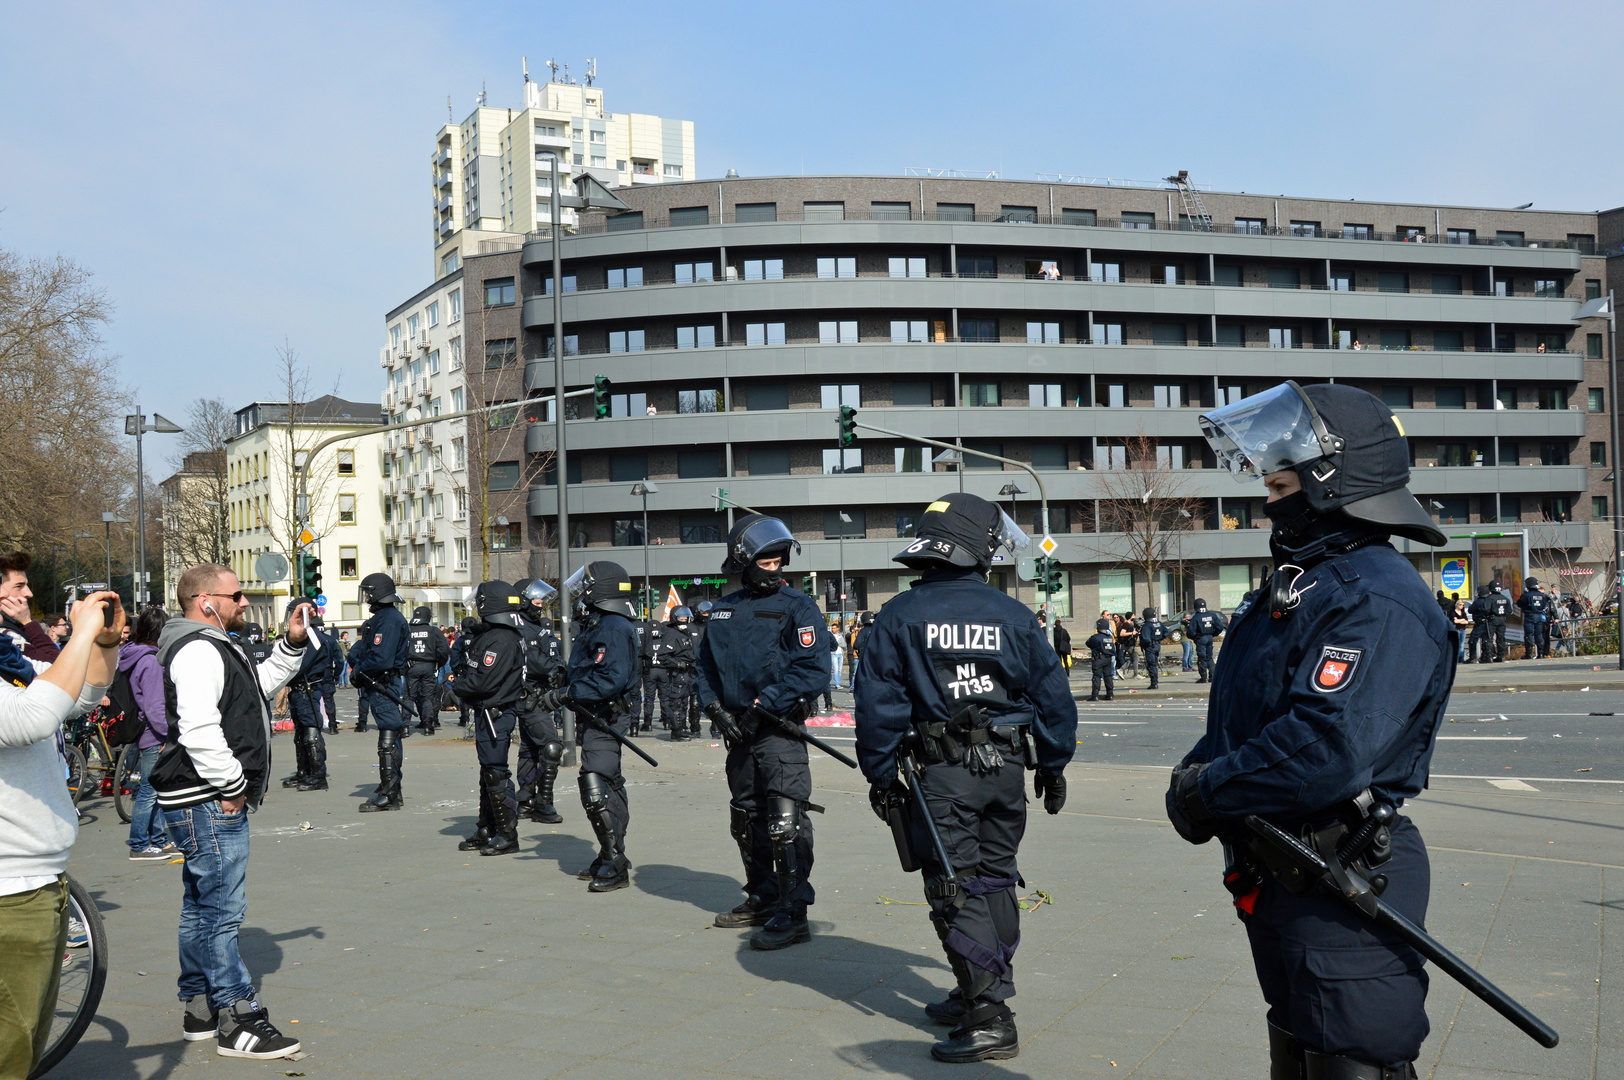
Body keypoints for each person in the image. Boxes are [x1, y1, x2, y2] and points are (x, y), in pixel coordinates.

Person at [1166, 380, 1456, 1078]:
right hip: (1286, 867)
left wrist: (1209, 791)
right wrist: (1201, 769)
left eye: (1282, 482)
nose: (1270, 499)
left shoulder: (1375, 595)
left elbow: (1326, 746)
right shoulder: (1309, 583)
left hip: (1342, 874)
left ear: (1334, 479)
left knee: (1352, 1056)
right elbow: (1251, 713)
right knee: (1300, 1050)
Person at [854, 493, 1078, 1062]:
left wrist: (881, 774)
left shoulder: (899, 616)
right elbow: (1054, 699)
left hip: (943, 772)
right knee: (997, 876)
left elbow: (878, 705)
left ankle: (991, 1014)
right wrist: (1052, 766)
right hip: (1005, 769)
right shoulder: (1013, 614)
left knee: (955, 884)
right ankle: (974, 987)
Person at [152, 564, 313, 1059]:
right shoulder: (199, 648)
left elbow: (249, 693)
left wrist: (290, 645)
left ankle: (199, 1007)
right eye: (236, 594)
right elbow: (200, 726)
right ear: (206, 601)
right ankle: (237, 1016)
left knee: (201, 904)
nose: (244, 602)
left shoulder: (211, 645)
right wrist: (231, 784)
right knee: (221, 909)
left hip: (197, 795)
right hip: (208, 797)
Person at [0, 585, 120, 1078]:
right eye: (14, 581)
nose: (26, 591)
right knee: (11, 1049)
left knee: (24, 1044)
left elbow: (77, 700)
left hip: (36, 881)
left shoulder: (9, 659)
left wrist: (104, 644)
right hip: (9, 891)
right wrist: (82, 632)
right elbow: (33, 718)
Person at [696, 515, 830, 949]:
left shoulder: (798, 607)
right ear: (744, 562)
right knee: (746, 817)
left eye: (780, 561)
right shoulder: (721, 608)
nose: (775, 568)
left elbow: (812, 671)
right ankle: (764, 896)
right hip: (737, 732)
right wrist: (716, 710)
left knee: (785, 821)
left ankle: (794, 912)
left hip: (778, 731)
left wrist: (762, 710)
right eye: (766, 562)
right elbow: (704, 669)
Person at [537, 562, 641, 892]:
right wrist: (564, 676)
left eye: (588, 584)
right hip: (596, 713)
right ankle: (610, 854)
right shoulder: (600, 622)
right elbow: (590, 667)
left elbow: (609, 678)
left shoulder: (611, 626)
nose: (582, 590)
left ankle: (615, 863)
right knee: (607, 781)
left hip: (606, 715)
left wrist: (567, 693)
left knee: (597, 785)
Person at [450, 581, 527, 856]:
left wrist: (456, 687)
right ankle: (487, 828)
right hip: (487, 712)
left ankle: (508, 834)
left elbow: (482, 681)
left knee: (496, 773)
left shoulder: (502, 639)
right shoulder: (494, 634)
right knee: (488, 773)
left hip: (496, 713)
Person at [347, 573, 409, 812]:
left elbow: (381, 659)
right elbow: (364, 650)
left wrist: (359, 670)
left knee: (388, 737)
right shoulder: (382, 618)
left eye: (368, 591)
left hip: (384, 683)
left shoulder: (389, 620)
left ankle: (390, 792)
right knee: (388, 733)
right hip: (379, 682)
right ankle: (391, 788)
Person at [120, 606, 178, 859]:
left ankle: (158, 839)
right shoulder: (151, 661)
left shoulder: (134, 655)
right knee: (150, 791)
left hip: (146, 731)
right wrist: (168, 735)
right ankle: (140, 843)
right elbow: (155, 707)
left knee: (153, 790)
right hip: (154, 733)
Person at [511, 579, 566, 824]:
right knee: (551, 747)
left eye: (542, 600)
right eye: (536, 599)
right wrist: (555, 668)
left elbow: (551, 654)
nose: (540, 603)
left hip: (539, 693)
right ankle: (544, 804)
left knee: (530, 749)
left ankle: (525, 800)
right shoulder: (520, 626)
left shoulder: (535, 624)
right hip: (531, 696)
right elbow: (534, 661)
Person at [278, 598, 334, 792]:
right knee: (301, 734)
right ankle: (304, 771)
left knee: (311, 733)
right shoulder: (305, 636)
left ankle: (318, 775)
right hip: (299, 690)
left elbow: (301, 665)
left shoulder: (313, 636)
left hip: (307, 689)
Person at [0, 552, 61, 663]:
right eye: (19, 586)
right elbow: (56, 666)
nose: (28, 593)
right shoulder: (6, 634)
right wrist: (28, 623)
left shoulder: (12, 627)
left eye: (26, 585)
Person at [405, 605, 450, 733]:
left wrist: (403, 665)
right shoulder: (433, 631)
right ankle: (428, 725)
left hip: (411, 666)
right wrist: (437, 663)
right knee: (428, 696)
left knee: (409, 696)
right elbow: (443, 650)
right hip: (428, 665)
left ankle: (405, 727)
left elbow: (398, 649)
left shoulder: (407, 630)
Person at [661, 606, 700, 741]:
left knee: (684, 703)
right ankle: (676, 732)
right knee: (676, 704)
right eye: (681, 617)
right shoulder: (671, 634)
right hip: (678, 673)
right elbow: (663, 656)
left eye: (686, 617)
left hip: (689, 672)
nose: (684, 619)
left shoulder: (687, 632)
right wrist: (678, 664)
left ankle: (682, 729)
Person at [446, 615, 479, 731]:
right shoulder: (480, 639)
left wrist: (456, 669)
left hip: (464, 670)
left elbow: (454, 656)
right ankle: (480, 717)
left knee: (464, 695)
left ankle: (464, 718)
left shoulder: (460, 641)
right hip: (479, 670)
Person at [1185, 598, 1227, 683]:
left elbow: (1191, 632)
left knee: (1202, 658)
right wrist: (1213, 634)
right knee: (1209, 657)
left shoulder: (1196, 617)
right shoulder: (1212, 615)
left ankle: (1203, 677)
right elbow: (1220, 627)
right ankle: (1212, 676)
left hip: (1201, 638)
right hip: (1210, 638)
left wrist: (1194, 636)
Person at [1516, 576, 1552, 660]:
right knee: (1539, 634)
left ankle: (1529, 654)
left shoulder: (1526, 595)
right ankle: (1540, 653)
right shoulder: (1542, 595)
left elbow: (1519, 603)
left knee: (1529, 635)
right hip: (1539, 616)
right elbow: (1544, 605)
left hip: (1529, 616)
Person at [1085, 618, 1116, 701]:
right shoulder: (1109, 637)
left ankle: (1095, 695)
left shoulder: (1096, 637)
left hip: (1098, 658)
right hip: (1108, 658)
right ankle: (1110, 694)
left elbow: (1088, 643)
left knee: (1097, 676)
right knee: (1108, 676)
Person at [1140, 607, 1169, 689]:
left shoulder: (1147, 625)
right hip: (1157, 645)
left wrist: (1142, 643)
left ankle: (1154, 683)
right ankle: (1155, 681)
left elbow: (1146, 639)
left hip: (1150, 647)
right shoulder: (1159, 623)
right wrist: (1160, 639)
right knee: (1154, 663)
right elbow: (1166, 632)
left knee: (1151, 664)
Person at [1485, 580, 1512, 661]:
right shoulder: (1505, 598)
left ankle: (1489, 656)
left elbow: (1486, 609)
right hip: (1502, 619)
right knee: (1501, 638)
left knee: (1489, 638)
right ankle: (1501, 656)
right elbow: (1509, 611)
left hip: (1492, 619)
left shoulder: (1490, 598)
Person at [1464, 586, 1490, 663]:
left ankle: (1472, 657)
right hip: (1488, 624)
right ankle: (1487, 656)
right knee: (1486, 640)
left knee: (1472, 641)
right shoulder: (1489, 601)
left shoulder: (1478, 602)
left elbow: (1470, 610)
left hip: (1479, 624)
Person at [851, 610, 875, 689]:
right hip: (876, 657)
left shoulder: (863, 631)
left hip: (865, 657)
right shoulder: (877, 630)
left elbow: (856, 645)